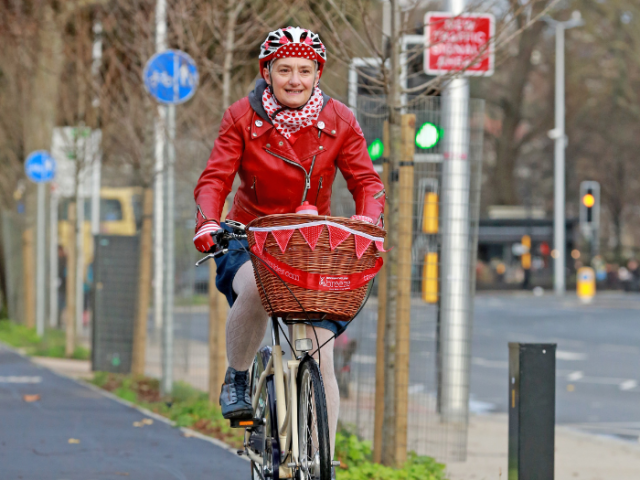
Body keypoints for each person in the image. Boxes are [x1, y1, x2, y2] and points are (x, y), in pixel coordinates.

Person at [193, 27, 385, 460]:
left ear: (318, 73)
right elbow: (215, 180)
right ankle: (238, 377)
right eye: (284, 70)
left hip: (308, 241)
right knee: (259, 288)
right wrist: (208, 222)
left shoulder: (341, 120)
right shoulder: (240, 117)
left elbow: (367, 181)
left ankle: (322, 461)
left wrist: (368, 219)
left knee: (322, 358)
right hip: (249, 237)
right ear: (268, 72)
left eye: (304, 69)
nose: (294, 79)